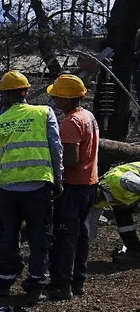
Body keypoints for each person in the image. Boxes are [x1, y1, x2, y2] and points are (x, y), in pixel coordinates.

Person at [0, 70, 64, 304]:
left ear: (5, 96)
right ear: (26, 91)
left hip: (8, 187)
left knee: (7, 234)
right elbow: (55, 148)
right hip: (38, 183)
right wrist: (58, 178)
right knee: (39, 236)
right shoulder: (44, 112)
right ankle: (35, 285)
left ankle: (4, 281)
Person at [44, 74, 99, 300]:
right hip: (89, 183)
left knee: (65, 235)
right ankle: (78, 280)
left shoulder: (70, 122)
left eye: (57, 96)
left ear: (66, 99)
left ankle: (61, 284)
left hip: (74, 186)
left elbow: (71, 160)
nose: (55, 100)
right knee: (81, 234)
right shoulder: (88, 115)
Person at [97, 161, 140, 264]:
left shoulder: (123, 181)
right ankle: (133, 249)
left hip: (132, 180)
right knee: (121, 214)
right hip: (128, 191)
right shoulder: (96, 199)